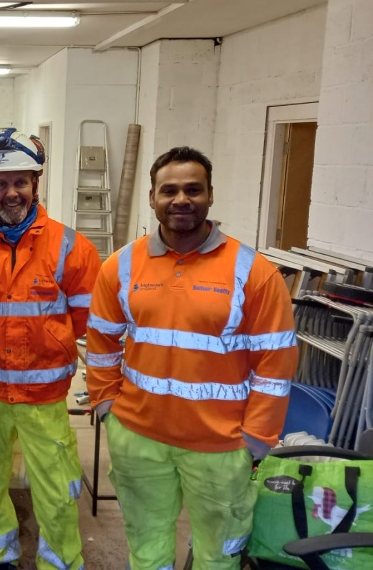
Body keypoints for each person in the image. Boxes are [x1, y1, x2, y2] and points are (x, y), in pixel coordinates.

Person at [86, 146, 298, 570]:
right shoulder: (121, 266)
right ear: (152, 198)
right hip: (138, 439)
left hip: (220, 446)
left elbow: (275, 362)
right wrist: (107, 405)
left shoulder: (253, 271)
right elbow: (102, 342)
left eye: (192, 190)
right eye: (169, 190)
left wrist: (257, 437)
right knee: (147, 549)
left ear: (210, 195)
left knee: (218, 556)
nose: (181, 200)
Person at [0, 129, 101, 570]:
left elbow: (85, 322)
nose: (11, 192)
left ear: (35, 184)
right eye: (1, 184)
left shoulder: (71, 246)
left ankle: (59, 563)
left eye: (20, 182)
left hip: (44, 397)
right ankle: (0, 556)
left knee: (55, 487)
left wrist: (49, 349)